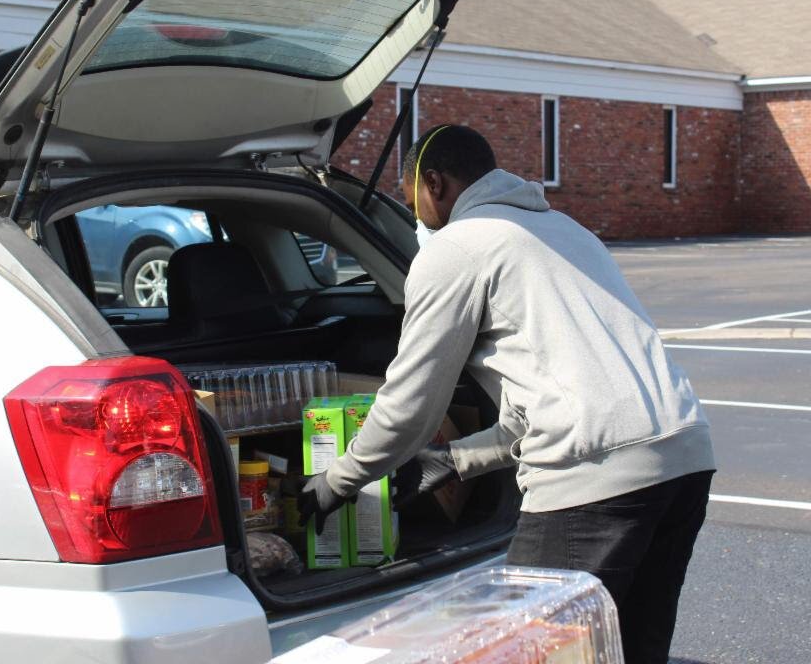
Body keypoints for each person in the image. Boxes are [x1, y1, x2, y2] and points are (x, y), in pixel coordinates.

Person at [298, 124, 715, 664]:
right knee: (629, 651)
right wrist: (457, 459)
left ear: (435, 184)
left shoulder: (458, 247)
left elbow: (410, 406)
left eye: (413, 206)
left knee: (532, 653)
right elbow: (549, 392)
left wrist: (336, 481)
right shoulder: (565, 231)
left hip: (594, 479)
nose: (419, 222)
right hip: (684, 459)